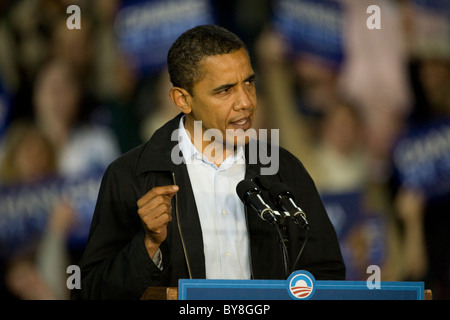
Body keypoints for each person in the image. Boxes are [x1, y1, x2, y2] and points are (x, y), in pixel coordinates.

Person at [72, 25, 345, 300]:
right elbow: (90, 293)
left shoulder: (283, 169)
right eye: (225, 90)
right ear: (183, 100)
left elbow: (326, 273)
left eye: (248, 82)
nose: (246, 102)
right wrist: (147, 247)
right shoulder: (131, 176)